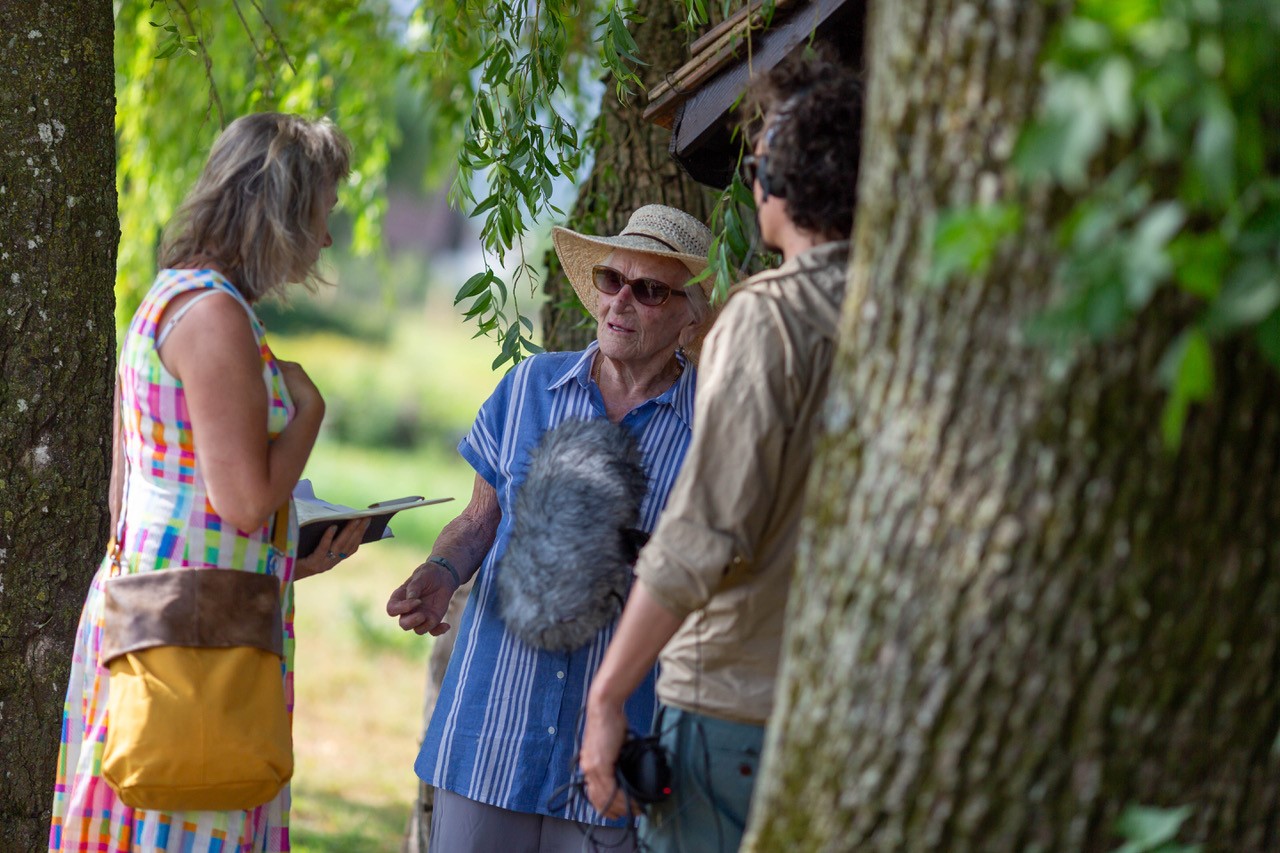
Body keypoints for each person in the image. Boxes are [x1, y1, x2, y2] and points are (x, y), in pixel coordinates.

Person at [49, 112, 370, 853]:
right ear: (282, 211)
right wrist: (309, 410)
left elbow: (135, 497)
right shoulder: (217, 317)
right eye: (322, 214)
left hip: (170, 621)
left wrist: (294, 556)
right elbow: (247, 502)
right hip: (193, 653)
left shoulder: (172, 297)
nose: (325, 238)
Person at [579, 46, 862, 852]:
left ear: (775, 172)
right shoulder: (903, 310)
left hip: (733, 707)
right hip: (846, 704)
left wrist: (608, 697)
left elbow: (706, 532)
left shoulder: (773, 316)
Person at [386, 204, 717, 852]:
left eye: (648, 290)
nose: (620, 301)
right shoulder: (527, 386)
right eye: (611, 280)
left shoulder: (710, 431)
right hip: (488, 736)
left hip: (610, 750)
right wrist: (440, 570)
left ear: (689, 314)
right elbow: (480, 519)